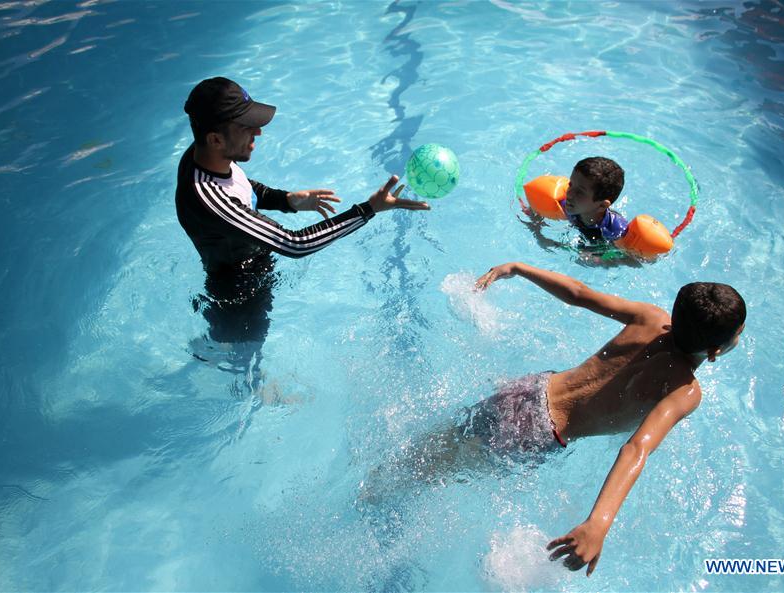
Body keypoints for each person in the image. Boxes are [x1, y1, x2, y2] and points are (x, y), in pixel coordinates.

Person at [367, 262, 745, 576]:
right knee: (439, 470)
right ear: (714, 352)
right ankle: (371, 501)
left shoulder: (651, 317)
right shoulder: (685, 391)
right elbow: (636, 449)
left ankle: (376, 478)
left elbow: (578, 294)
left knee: (437, 446)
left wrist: (519, 268)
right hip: (538, 432)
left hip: (530, 389)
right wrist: (599, 523)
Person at [175, 77, 429, 351]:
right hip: (241, 293)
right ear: (215, 139)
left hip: (251, 266)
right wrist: (368, 210)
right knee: (244, 357)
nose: (258, 132)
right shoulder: (209, 198)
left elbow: (242, 186)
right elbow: (296, 244)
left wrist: (286, 200)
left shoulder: (206, 154)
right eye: (247, 127)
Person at [519, 157, 631, 262]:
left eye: (580, 192)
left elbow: (628, 259)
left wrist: (603, 259)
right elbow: (535, 212)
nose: (569, 194)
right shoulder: (567, 205)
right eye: (571, 185)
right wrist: (535, 220)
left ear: (601, 206)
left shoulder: (615, 230)